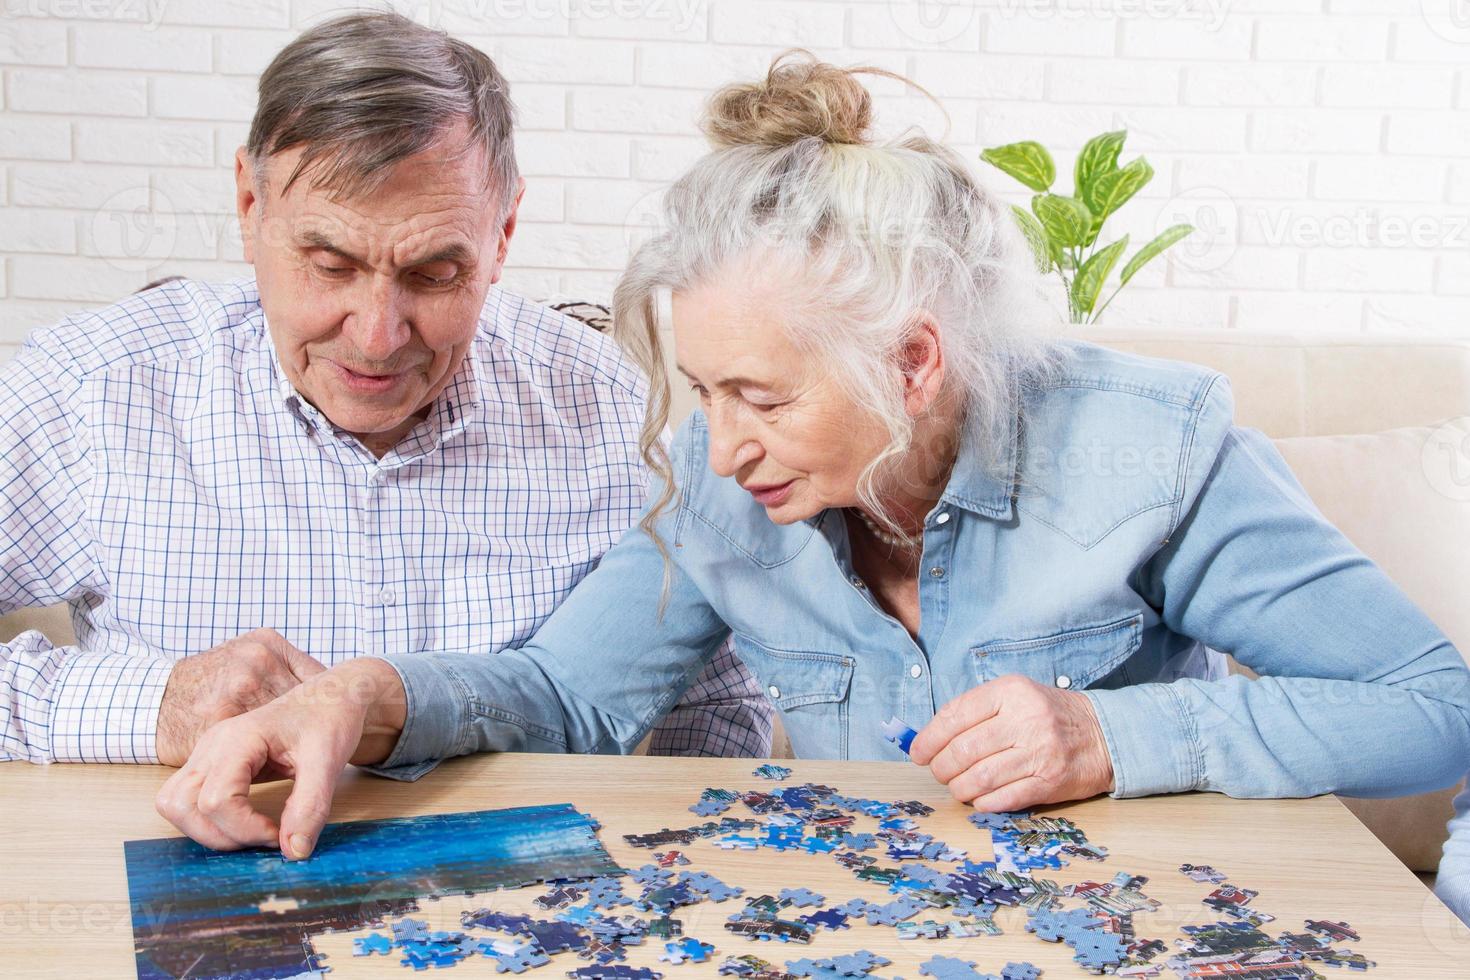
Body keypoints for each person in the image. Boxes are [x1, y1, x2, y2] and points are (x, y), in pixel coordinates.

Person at [158, 53, 1470, 860]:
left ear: (911, 361)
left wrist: (1106, 734)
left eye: (762, 400)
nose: (721, 449)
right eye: (706, 392)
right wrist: (363, 698)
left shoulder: (1149, 450)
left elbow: (1431, 703)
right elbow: (566, 696)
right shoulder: (727, 489)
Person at [0, 12, 771, 770]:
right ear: (249, 206)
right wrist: (154, 704)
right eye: (329, 264)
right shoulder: (93, 391)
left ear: (502, 235)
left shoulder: (604, 408)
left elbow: (713, 707)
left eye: (433, 274)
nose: (376, 335)